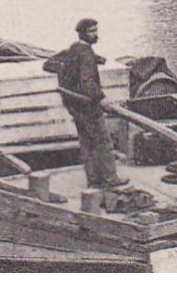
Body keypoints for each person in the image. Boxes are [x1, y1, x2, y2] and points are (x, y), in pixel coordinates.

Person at [49, 18, 126, 190]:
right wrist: (101, 98)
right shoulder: (85, 54)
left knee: (86, 142)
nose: (95, 34)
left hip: (74, 106)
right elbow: (87, 81)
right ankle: (111, 179)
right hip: (88, 106)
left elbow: (50, 65)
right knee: (104, 142)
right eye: (92, 31)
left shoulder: (73, 49)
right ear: (83, 33)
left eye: (96, 30)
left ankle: (93, 180)